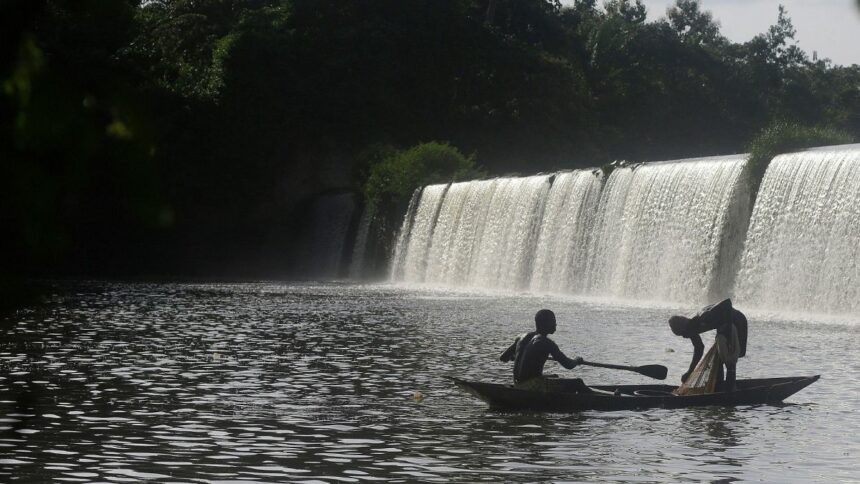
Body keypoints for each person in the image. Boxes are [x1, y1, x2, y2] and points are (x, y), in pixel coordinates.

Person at [669, 298, 748, 393]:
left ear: (685, 326)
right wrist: (690, 371)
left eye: (682, 334)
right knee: (717, 360)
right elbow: (699, 348)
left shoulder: (704, 317)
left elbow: (727, 303)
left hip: (737, 322)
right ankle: (718, 389)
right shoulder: (691, 327)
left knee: (730, 358)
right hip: (723, 327)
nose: (684, 337)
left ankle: (730, 391)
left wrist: (727, 329)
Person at [499, 309, 587, 392]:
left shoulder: (521, 337)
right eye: (553, 321)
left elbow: (503, 358)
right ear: (545, 323)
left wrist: (515, 356)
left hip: (517, 384)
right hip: (532, 387)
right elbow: (568, 365)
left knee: (555, 377)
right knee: (577, 383)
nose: (555, 324)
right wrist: (577, 360)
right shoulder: (547, 343)